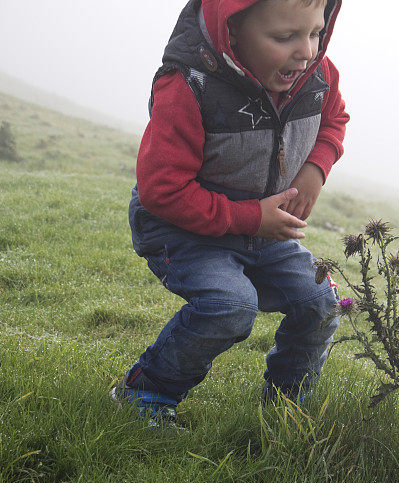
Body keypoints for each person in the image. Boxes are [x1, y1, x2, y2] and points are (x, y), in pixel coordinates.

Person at [111, 0, 348, 427]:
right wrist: (251, 218)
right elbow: (162, 190)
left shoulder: (318, 76)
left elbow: (334, 120)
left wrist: (315, 168)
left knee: (319, 304)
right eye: (284, 37)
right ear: (232, 29)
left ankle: (285, 410)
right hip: (182, 228)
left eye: (315, 32)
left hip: (262, 230)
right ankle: (146, 392)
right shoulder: (188, 85)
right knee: (230, 305)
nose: (307, 51)